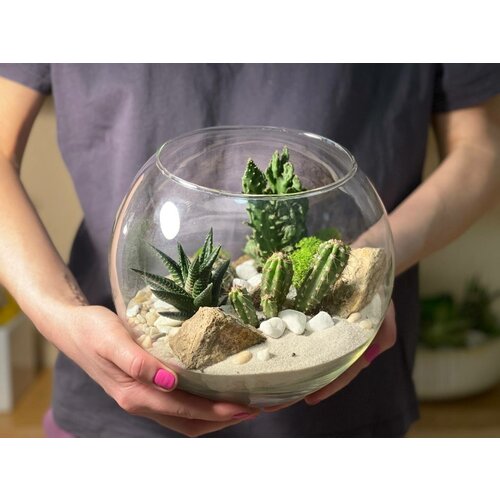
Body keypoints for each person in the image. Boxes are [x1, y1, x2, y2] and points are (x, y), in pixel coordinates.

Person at [0, 64, 499, 438]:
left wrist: (361, 271)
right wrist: (61, 313)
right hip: (113, 405)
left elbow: (479, 149)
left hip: (342, 416)